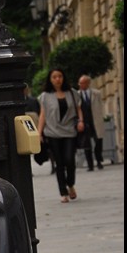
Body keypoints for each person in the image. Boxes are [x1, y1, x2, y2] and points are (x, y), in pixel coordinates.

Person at [36, 68, 84, 202]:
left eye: (60, 76)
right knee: (59, 163)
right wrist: (39, 133)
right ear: (50, 80)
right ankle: (63, 192)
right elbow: (43, 115)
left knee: (69, 160)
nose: (57, 79)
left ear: (63, 78)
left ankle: (70, 184)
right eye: (54, 77)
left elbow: (78, 109)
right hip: (52, 133)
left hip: (69, 131)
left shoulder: (72, 93)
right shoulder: (45, 96)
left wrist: (81, 121)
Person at [76, 74, 105, 171]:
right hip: (84, 122)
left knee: (98, 142)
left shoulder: (96, 93)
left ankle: (99, 161)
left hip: (95, 121)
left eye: (83, 83)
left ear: (88, 83)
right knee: (86, 144)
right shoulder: (77, 95)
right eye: (80, 83)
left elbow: (101, 106)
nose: (80, 85)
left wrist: (102, 117)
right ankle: (90, 165)